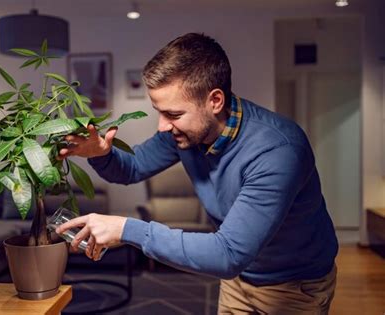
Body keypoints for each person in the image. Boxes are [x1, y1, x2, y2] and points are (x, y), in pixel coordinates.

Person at [56, 33, 338, 314]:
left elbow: (228, 254)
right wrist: (100, 153)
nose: (163, 126)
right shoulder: (182, 134)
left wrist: (127, 229)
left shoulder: (277, 150)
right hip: (237, 278)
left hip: (293, 286)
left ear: (214, 100)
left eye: (174, 114)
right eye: (159, 112)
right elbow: (132, 167)